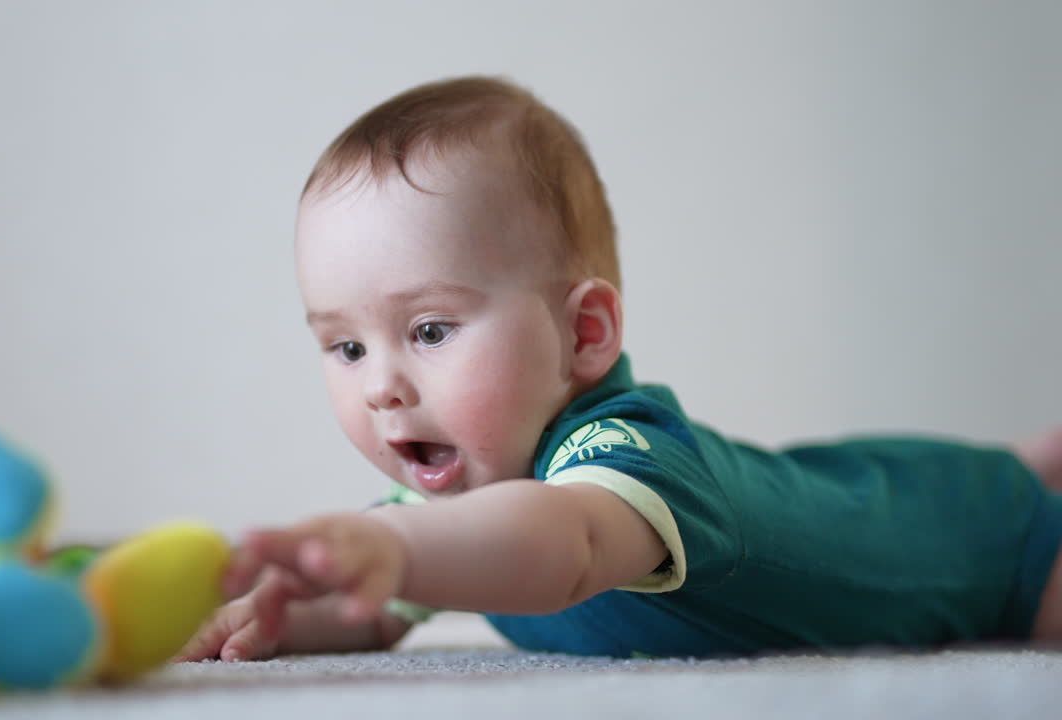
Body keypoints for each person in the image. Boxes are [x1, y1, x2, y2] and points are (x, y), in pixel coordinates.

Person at [178, 75, 1062, 662]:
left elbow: (563, 548)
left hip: (988, 553)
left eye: (432, 329)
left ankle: (1024, 477)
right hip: (843, 490)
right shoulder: (441, 512)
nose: (381, 385)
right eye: (347, 347)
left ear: (586, 334)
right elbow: (378, 608)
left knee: (969, 513)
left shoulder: (620, 458)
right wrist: (289, 619)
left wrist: (393, 549)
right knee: (854, 484)